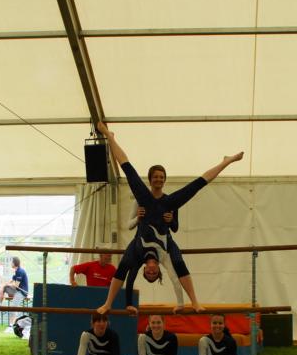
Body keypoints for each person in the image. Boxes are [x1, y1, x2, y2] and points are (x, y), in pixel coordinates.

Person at [95, 121, 243, 314]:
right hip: (153, 232)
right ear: (150, 179)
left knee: (194, 185)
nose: (159, 179)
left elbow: (175, 225)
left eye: (161, 177)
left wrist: (169, 220)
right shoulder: (145, 200)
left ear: (164, 180)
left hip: (155, 234)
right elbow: (125, 165)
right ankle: (108, 303)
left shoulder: (166, 203)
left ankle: (194, 301)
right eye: (156, 177)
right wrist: (145, 218)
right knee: (129, 170)